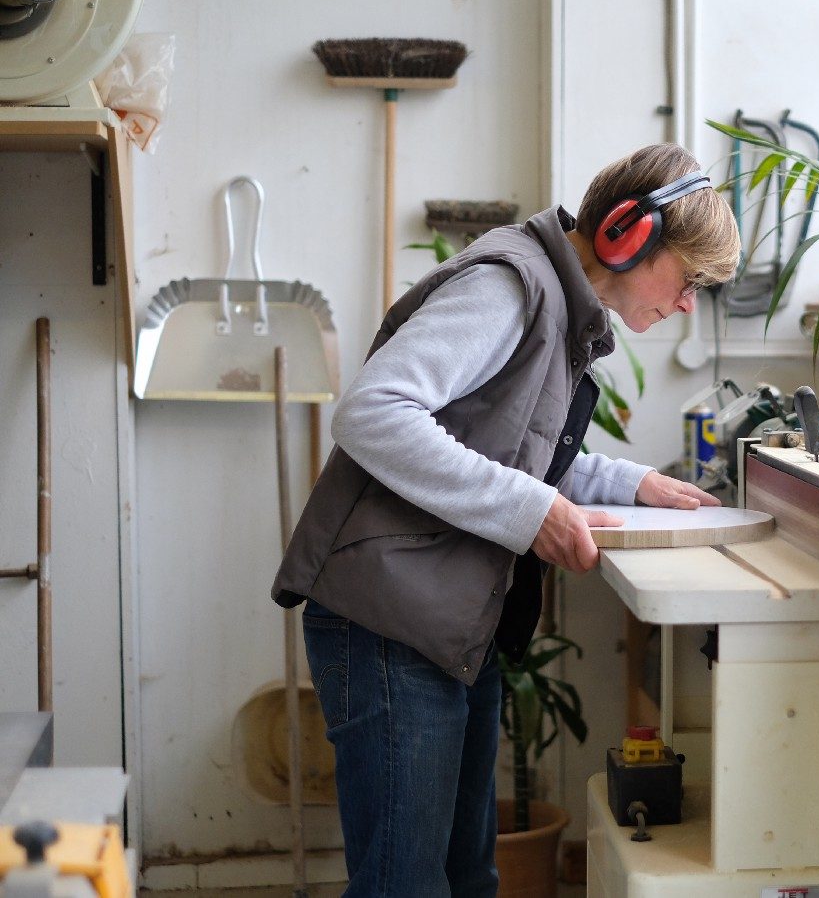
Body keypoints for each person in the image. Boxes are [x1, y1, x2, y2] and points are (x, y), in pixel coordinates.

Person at [270, 143, 741, 897]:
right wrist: (532, 510)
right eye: (689, 280)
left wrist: (632, 480)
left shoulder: (559, 306)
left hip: (447, 622)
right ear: (629, 235)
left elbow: (503, 444)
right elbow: (373, 412)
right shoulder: (509, 286)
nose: (689, 303)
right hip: (387, 623)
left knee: (467, 876)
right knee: (405, 884)